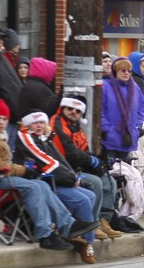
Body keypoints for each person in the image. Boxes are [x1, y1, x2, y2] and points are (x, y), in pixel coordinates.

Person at [0, 99, 97, 253]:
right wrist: (22, 170)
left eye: (4, 119)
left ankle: (64, 227)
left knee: (41, 185)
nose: (1, 122)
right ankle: (47, 234)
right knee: (33, 186)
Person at [15, 111, 97, 263]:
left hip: (56, 180)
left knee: (91, 194)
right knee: (83, 200)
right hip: (47, 182)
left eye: (41, 122)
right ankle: (85, 243)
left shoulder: (46, 139)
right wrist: (71, 178)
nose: (38, 126)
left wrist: (73, 177)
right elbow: (49, 164)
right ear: (27, 126)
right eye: (34, 123)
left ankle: (82, 236)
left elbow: (61, 161)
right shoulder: (27, 138)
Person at [50, 97, 121, 240]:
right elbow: (70, 153)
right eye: (70, 109)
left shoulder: (76, 126)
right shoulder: (57, 124)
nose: (73, 112)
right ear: (63, 108)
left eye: (77, 111)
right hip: (64, 172)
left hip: (76, 168)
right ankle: (91, 224)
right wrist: (90, 160)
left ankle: (103, 220)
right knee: (95, 182)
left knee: (110, 182)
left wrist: (99, 162)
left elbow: (84, 150)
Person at [100, 56, 144, 164]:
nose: (126, 73)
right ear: (115, 71)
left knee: (126, 174)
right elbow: (100, 110)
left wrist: (137, 127)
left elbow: (141, 108)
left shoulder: (135, 88)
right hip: (110, 138)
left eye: (129, 71)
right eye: (123, 70)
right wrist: (106, 129)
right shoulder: (105, 86)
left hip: (128, 136)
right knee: (111, 170)